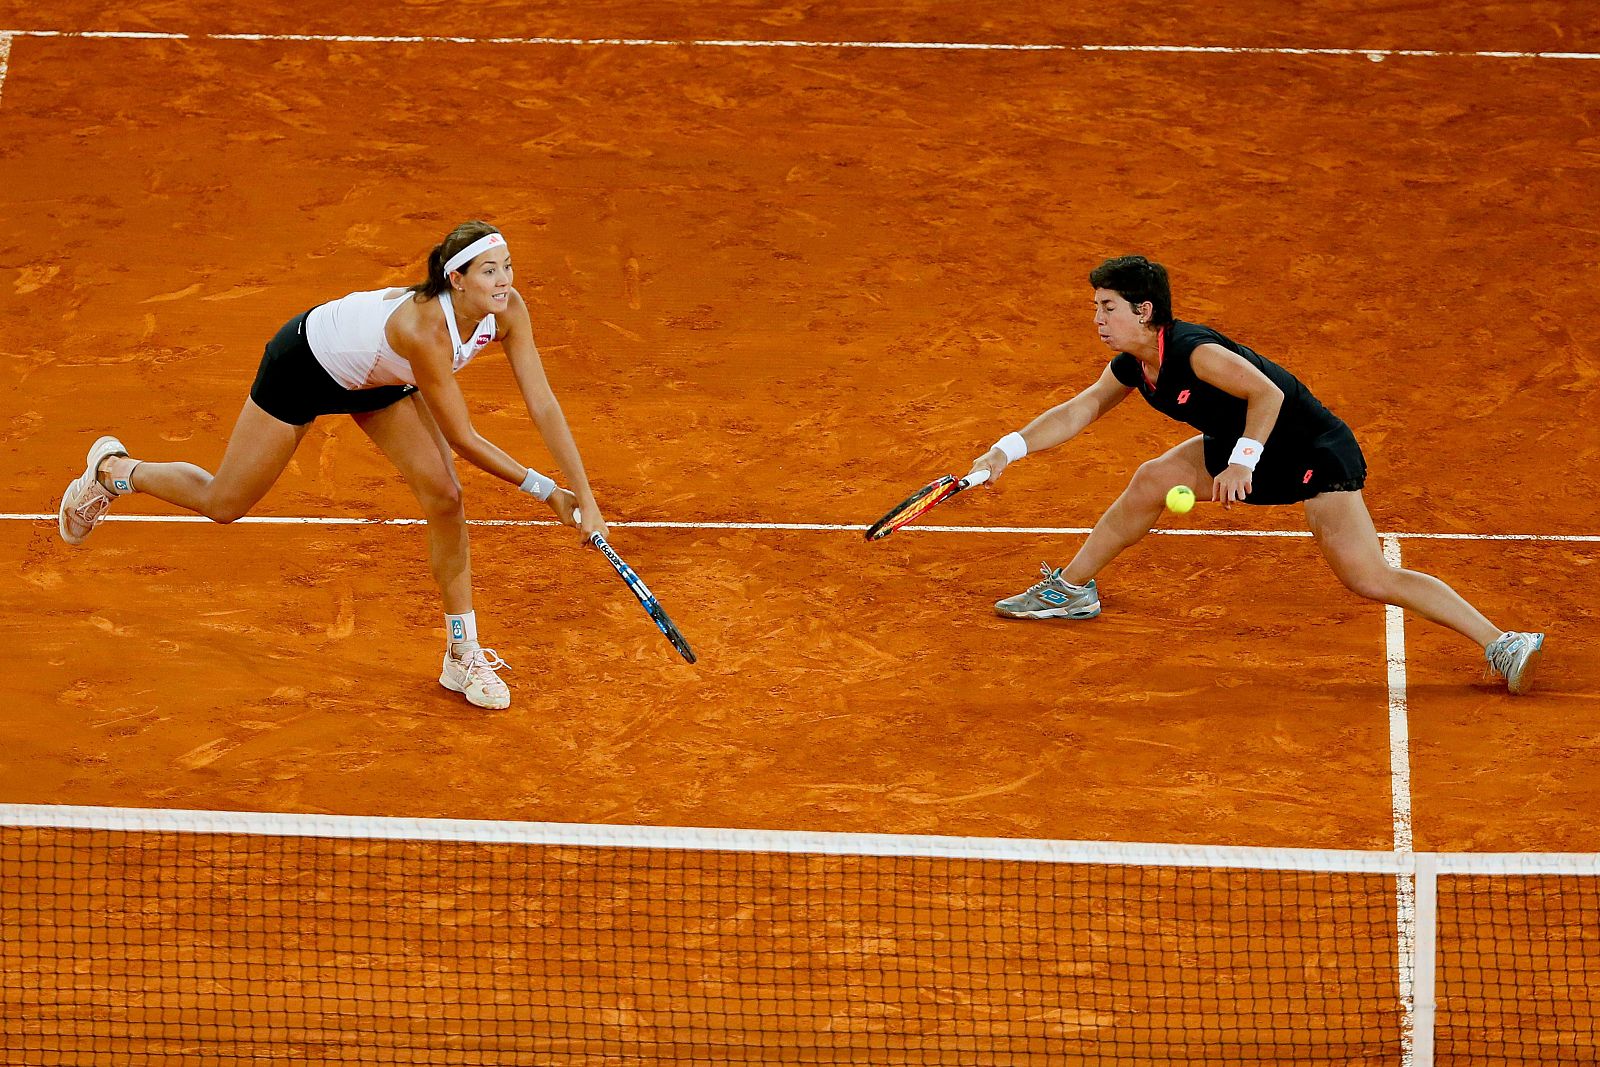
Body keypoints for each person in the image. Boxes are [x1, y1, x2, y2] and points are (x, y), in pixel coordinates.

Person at [56, 220, 608, 710]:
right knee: (224, 502)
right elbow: (463, 437)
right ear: (456, 279)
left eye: (507, 266)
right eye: (490, 271)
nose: (504, 280)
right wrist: (548, 492)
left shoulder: (508, 311)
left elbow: (543, 404)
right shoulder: (423, 331)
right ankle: (114, 470)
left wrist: (584, 496)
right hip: (305, 367)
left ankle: (461, 654)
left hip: (380, 382)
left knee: (445, 496)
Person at [966, 255, 1546, 694]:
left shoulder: (1195, 351)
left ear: (1143, 310)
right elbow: (1081, 408)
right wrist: (1004, 451)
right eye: (1096, 307)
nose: (1097, 318)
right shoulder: (1135, 364)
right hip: (1241, 444)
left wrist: (1243, 461)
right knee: (1152, 479)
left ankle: (1501, 642)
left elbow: (1268, 394)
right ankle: (1071, 589)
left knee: (1368, 577)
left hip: (1310, 452)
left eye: (1107, 307)